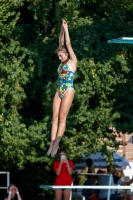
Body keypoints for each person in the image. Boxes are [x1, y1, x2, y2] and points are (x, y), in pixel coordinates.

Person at [47, 19, 77, 157]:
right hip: (59, 90)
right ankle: (52, 143)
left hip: (68, 90)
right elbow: (61, 43)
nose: (59, 58)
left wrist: (66, 29)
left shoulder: (72, 61)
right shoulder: (62, 59)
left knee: (62, 117)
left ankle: (57, 142)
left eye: (61, 55)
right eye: (58, 56)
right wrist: (61, 30)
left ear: (67, 54)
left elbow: (68, 44)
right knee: (54, 116)